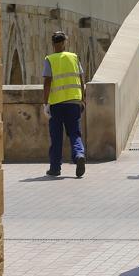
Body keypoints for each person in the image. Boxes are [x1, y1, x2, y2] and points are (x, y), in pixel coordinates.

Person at [41, 31, 87, 178]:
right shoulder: (73, 57)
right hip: (74, 101)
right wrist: (82, 99)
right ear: (65, 42)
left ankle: (55, 168)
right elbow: (81, 80)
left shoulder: (50, 59)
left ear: (53, 44)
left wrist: (45, 103)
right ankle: (79, 154)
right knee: (74, 133)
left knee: (56, 137)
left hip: (56, 104)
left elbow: (47, 83)